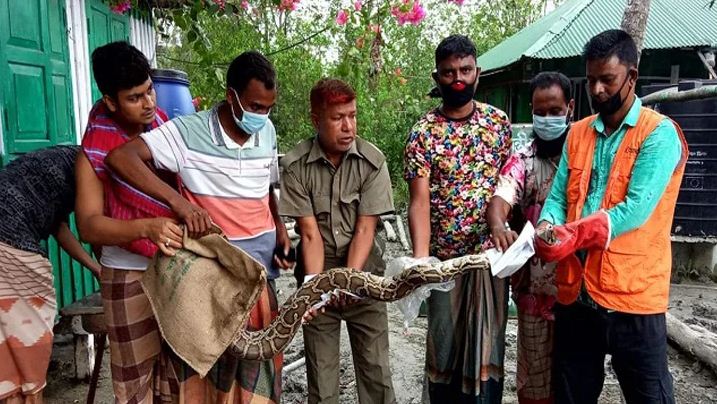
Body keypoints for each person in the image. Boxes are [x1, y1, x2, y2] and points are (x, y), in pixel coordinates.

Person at [105, 50, 292, 403]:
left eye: (268, 107)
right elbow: (121, 158)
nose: (261, 116)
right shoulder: (187, 132)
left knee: (258, 385)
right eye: (254, 106)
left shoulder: (266, 131)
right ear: (231, 95)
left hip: (259, 278)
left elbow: (267, 186)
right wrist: (179, 203)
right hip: (213, 284)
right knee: (209, 382)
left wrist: (280, 228)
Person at [534, 29, 687, 404]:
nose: (598, 90)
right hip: (577, 293)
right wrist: (546, 225)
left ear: (632, 77)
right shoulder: (578, 133)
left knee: (649, 395)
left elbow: (634, 210)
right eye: (591, 80)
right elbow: (557, 196)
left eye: (608, 80)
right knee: (571, 394)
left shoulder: (659, 134)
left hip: (633, 298)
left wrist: (572, 234)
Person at [404, 34, 512, 403]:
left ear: (477, 73)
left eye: (465, 70)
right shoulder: (423, 133)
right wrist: (422, 262)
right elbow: (418, 202)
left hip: (488, 262)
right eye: (449, 73)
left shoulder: (498, 124)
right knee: (444, 349)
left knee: (486, 351)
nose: (458, 79)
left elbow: (509, 187)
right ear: (437, 78)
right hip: (444, 265)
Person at [75, 41, 183, 403]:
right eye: (135, 97)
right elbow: (89, 226)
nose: (149, 103)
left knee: (177, 378)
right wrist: (146, 227)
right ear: (110, 101)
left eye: (150, 90)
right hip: (126, 275)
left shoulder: (164, 130)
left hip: (173, 269)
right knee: (135, 385)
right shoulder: (94, 150)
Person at [280, 78, 396, 404]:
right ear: (316, 120)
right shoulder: (296, 165)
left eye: (353, 115)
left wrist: (348, 283)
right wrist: (317, 290)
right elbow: (309, 233)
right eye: (337, 118)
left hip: (364, 276)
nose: (348, 126)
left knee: (376, 372)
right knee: (322, 374)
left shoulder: (373, 162)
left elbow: (365, 230)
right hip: (318, 272)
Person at [486, 71, 574, 404]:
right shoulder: (522, 161)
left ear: (570, 108)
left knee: (575, 380)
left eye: (555, 111)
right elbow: (501, 198)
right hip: (535, 294)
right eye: (540, 111)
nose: (547, 118)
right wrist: (498, 224)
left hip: (578, 294)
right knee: (534, 382)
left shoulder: (583, 158)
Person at [0, 145, 101, 403]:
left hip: (10, 239)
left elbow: (59, 227)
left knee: (8, 351)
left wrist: (95, 268)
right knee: (31, 344)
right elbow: (93, 228)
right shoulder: (93, 167)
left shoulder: (64, 159)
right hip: (11, 242)